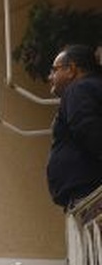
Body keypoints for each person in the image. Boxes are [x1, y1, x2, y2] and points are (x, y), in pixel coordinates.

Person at [46, 44, 102, 209]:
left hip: (89, 193)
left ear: (71, 70)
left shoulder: (78, 89)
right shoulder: (89, 88)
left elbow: (87, 127)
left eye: (54, 70)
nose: (51, 77)